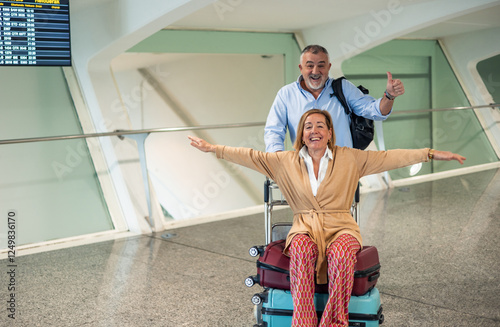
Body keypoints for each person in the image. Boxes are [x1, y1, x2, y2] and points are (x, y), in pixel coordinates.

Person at [189, 109, 465, 327]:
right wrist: (213, 148)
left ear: (330, 132)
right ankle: (304, 322)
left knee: (343, 253)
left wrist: (429, 153)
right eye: (308, 126)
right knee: (299, 249)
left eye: (320, 125)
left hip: (341, 225)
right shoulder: (285, 160)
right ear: (302, 134)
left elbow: (389, 157)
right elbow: (249, 155)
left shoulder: (350, 158)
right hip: (305, 226)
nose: (314, 130)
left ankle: (335, 322)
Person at [264, 44, 405, 152]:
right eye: (310, 66)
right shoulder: (286, 94)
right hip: (304, 171)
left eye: (321, 65)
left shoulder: (343, 88)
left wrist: (389, 96)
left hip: (342, 170)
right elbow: (273, 131)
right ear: (301, 68)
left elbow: (374, 111)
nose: (315, 71)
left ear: (329, 67)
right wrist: (279, 160)